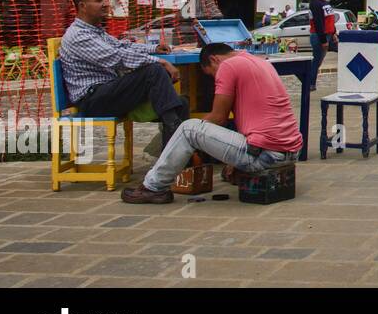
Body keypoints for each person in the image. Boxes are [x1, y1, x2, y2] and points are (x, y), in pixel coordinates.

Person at [120, 42, 302, 204]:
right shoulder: (259, 61)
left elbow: (218, 117)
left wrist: (192, 144)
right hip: (290, 151)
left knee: (188, 129)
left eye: (212, 74)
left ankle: (153, 187)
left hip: (267, 154)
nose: (215, 79)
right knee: (206, 141)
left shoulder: (228, 66)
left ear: (214, 59)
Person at [59, 0, 188, 147]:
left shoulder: (94, 30)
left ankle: (176, 162)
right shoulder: (78, 35)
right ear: (82, 6)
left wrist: (153, 48)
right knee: (153, 71)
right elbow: (117, 57)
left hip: (110, 93)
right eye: (99, 0)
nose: (106, 4)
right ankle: (174, 137)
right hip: (93, 100)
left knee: (181, 104)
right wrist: (159, 61)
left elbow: (122, 45)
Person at [308, 0, 338, 72]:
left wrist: (334, 33)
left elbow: (330, 20)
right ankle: (310, 83)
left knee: (319, 61)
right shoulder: (316, 4)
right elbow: (319, 23)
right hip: (319, 36)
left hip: (329, 35)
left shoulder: (326, 3)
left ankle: (311, 82)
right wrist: (323, 40)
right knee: (316, 61)